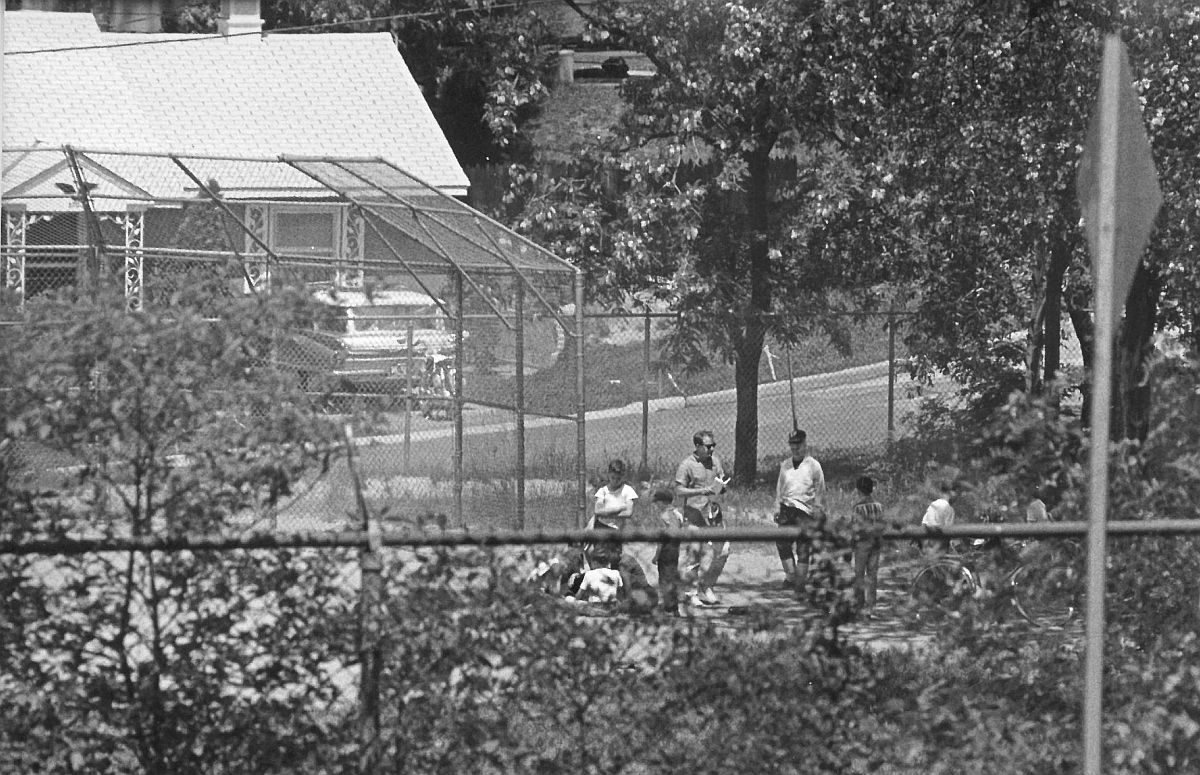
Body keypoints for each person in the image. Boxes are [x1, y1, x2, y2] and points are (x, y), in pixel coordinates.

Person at [673, 430, 730, 606]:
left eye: (713, 445)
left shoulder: (715, 461)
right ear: (698, 446)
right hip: (695, 516)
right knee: (694, 556)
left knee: (723, 550)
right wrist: (701, 491)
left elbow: (721, 480)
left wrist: (722, 486)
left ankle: (707, 587)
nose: (712, 449)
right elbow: (678, 490)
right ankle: (690, 593)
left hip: (713, 516)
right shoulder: (687, 465)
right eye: (708, 446)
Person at [775, 428, 825, 597]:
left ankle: (800, 585)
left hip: (805, 510)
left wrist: (818, 508)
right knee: (782, 542)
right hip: (787, 508)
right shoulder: (785, 465)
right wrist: (777, 506)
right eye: (792, 444)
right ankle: (791, 575)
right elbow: (779, 488)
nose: (795, 448)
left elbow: (820, 489)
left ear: (805, 444)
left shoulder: (813, 465)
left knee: (803, 547)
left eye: (798, 444)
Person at [851, 475, 885, 617]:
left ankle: (859, 605)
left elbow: (855, 527)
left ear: (858, 490)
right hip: (875, 543)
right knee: (872, 575)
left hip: (862, 544)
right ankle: (871, 607)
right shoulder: (879, 506)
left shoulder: (858, 508)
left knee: (859, 574)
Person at [651, 487, 684, 616]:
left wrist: (656, 556)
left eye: (657, 502)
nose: (656, 505)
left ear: (663, 502)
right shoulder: (677, 514)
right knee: (672, 576)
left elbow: (661, 539)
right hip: (675, 549)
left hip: (666, 549)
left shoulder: (663, 516)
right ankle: (674, 607)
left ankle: (668, 607)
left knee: (664, 578)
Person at [920, 480, 957, 554]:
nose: (957, 495)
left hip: (927, 544)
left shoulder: (933, 504)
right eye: (956, 492)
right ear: (951, 492)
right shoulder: (949, 508)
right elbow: (948, 531)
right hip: (939, 546)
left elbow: (924, 523)